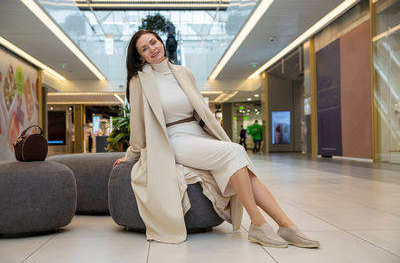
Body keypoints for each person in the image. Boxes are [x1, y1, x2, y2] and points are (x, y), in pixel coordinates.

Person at [113, 30, 319, 248]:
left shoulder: (183, 72)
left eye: (153, 42)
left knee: (241, 166)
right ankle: (258, 223)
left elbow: (199, 110)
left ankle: (286, 225)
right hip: (171, 139)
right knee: (235, 151)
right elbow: (138, 122)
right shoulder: (140, 81)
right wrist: (132, 155)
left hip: (196, 133)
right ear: (140, 57)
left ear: (161, 43)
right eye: (144, 48)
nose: (152, 49)